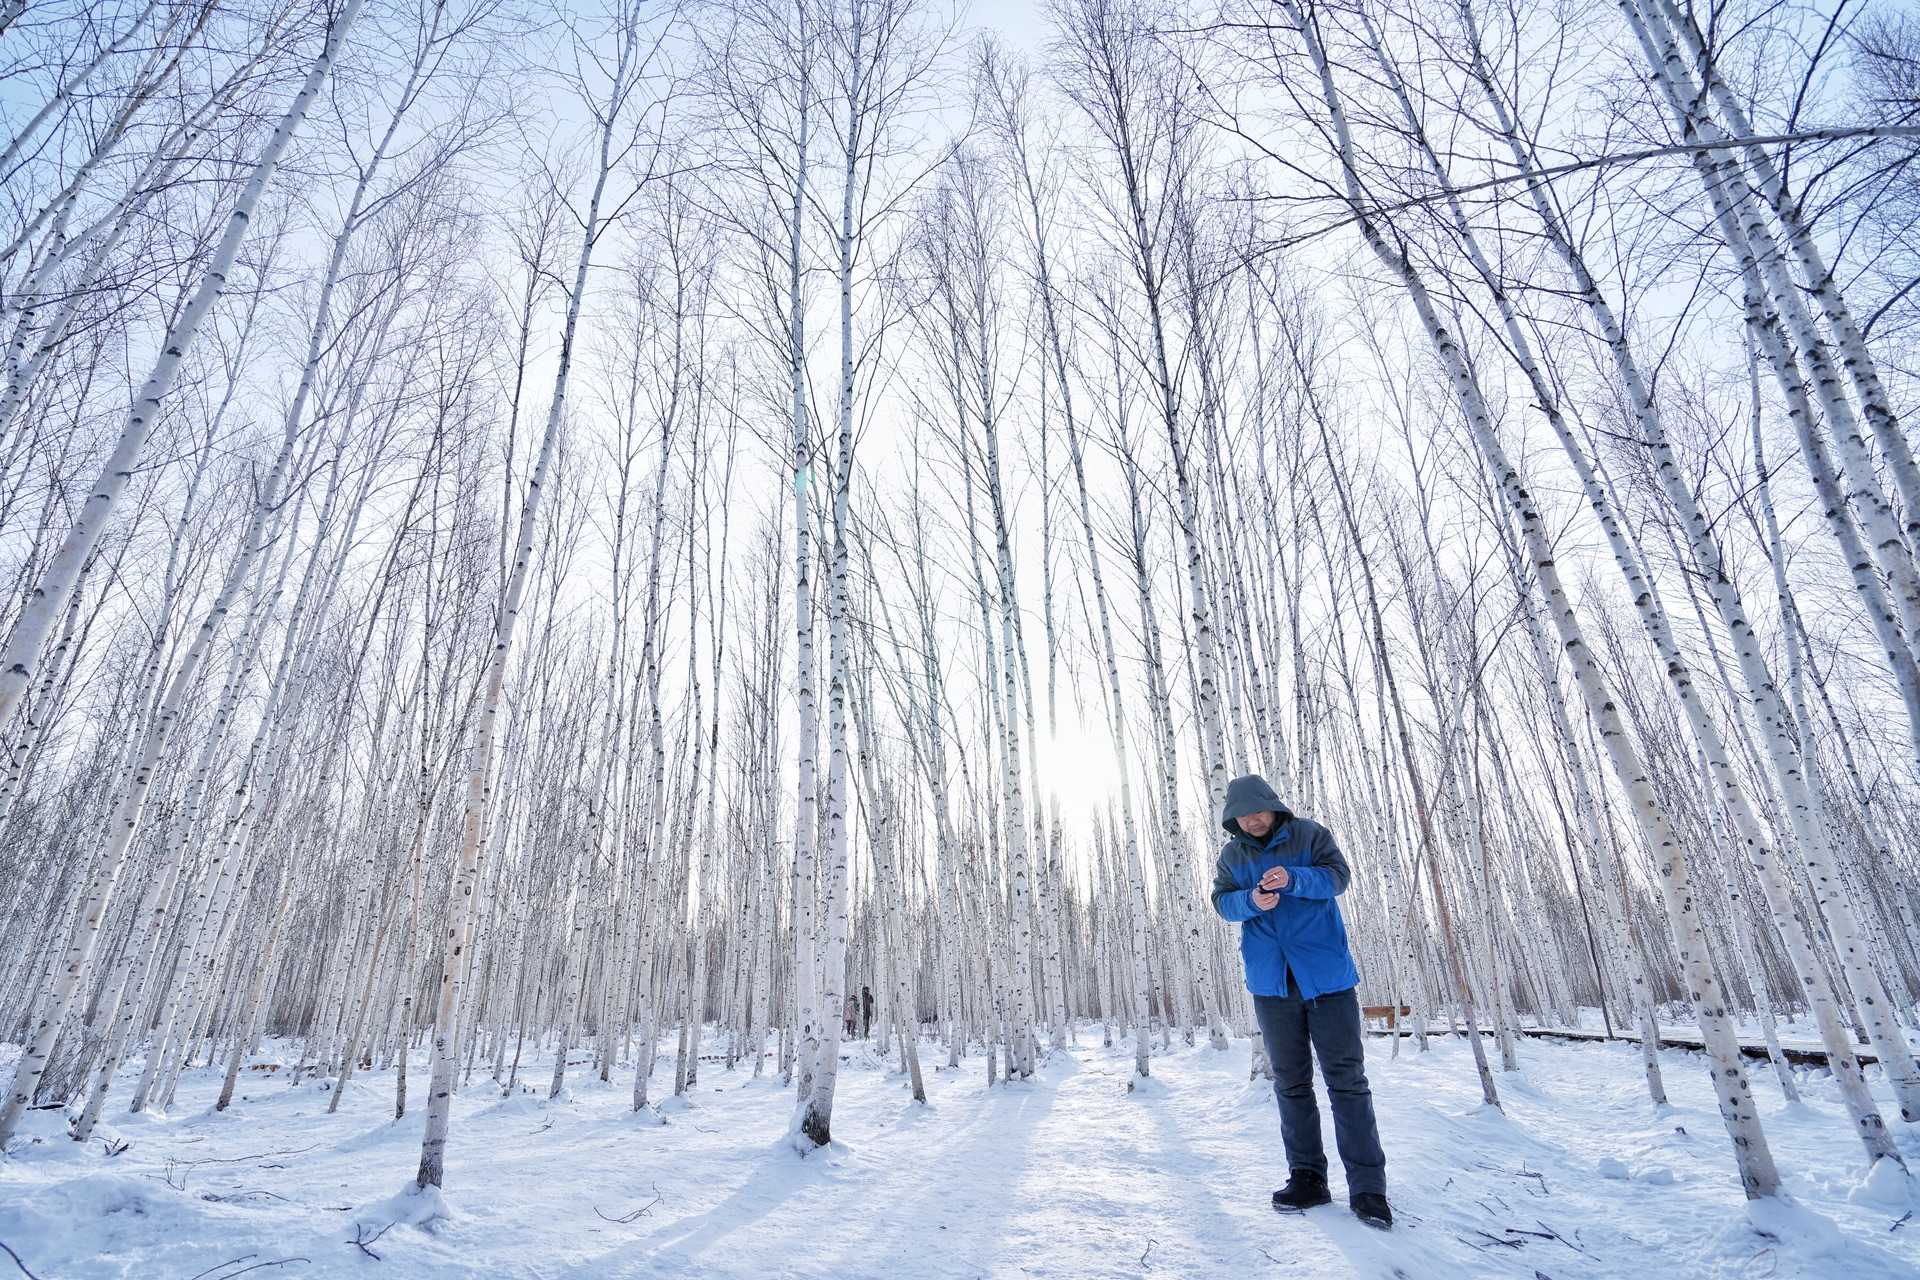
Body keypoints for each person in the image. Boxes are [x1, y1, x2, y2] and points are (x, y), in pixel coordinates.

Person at [1211, 773, 1391, 1230]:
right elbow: (1222, 903)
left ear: (1273, 807)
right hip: (1272, 985)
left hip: (1326, 978)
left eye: (1258, 810)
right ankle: (1308, 1177)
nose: (1252, 820)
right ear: (1234, 819)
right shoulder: (1233, 855)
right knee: (1291, 1084)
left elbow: (1338, 878)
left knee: (1347, 1081)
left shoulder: (1310, 835)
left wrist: (1293, 878)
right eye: (1242, 815)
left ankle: (1368, 1188)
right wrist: (1250, 899)